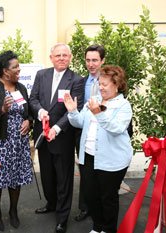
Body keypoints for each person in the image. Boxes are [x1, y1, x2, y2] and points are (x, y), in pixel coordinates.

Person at [64, 65, 133, 233]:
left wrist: (99, 113)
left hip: (112, 160)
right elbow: (80, 122)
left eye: (105, 84)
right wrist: (73, 112)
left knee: (107, 198)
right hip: (88, 157)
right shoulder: (95, 100)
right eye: (100, 84)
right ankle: (97, 227)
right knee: (91, 196)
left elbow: (116, 128)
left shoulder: (123, 105)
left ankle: (108, 229)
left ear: (117, 85)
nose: (100, 87)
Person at [29, 43, 84, 233]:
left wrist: (57, 128)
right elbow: (33, 99)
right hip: (42, 135)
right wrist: (41, 111)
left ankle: (62, 218)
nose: (61, 58)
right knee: (46, 176)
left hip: (62, 138)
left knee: (63, 179)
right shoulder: (41, 75)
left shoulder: (76, 80)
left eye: (64, 55)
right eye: (57, 55)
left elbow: (74, 110)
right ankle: (51, 203)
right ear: (51, 58)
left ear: (70, 58)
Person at [0, 50, 33, 231]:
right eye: (15, 67)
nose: (19, 69)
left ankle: (13, 212)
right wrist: (1, 110)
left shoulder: (21, 88)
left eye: (18, 66)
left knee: (15, 179)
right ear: (4, 71)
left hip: (18, 144)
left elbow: (28, 111)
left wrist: (28, 121)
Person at [74, 44, 106, 222]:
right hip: (83, 133)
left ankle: (102, 208)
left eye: (95, 60)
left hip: (104, 133)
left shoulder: (110, 82)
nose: (91, 64)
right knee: (85, 172)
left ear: (102, 60)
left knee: (102, 172)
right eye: (88, 60)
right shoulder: (80, 82)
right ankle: (86, 208)